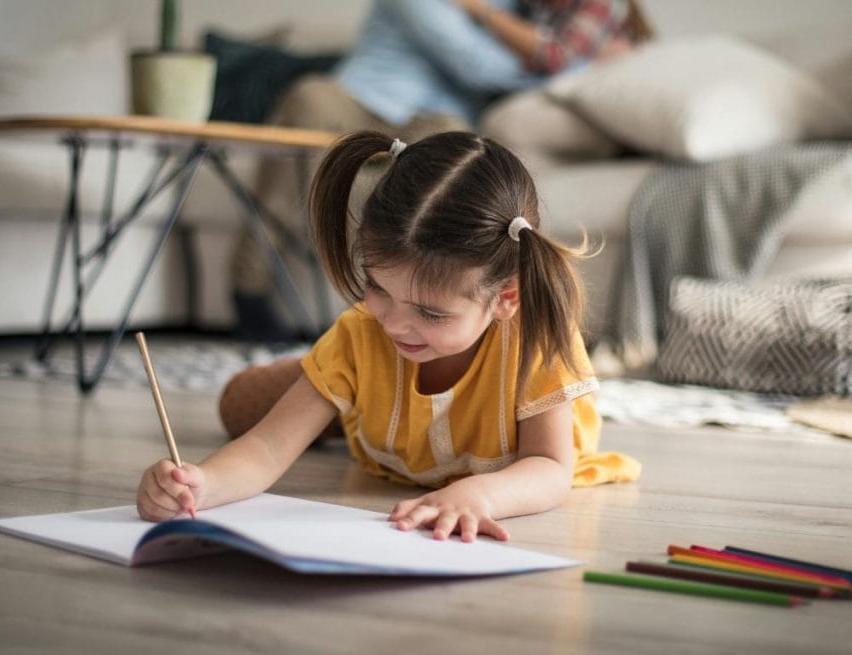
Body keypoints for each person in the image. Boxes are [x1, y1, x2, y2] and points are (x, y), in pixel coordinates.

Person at [139, 130, 641, 540]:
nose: (395, 324)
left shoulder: (538, 341)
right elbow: (267, 450)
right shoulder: (365, 330)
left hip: (399, 424)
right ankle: (328, 391)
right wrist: (199, 485)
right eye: (377, 288)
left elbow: (548, 467)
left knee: (312, 390)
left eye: (430, 313)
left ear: (506, 296)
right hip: (381, 426)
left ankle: (332, 396)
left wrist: (479, 495)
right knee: (239, 406)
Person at [233, 0, 644, 340]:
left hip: (435, 118)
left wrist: (566, 59)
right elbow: (475, 63)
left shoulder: (514, 11)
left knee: (450, 146)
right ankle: (250, 283)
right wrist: (572, 63)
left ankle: (383, 296)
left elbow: (531, 57)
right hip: (359, 98)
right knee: (310, 99)